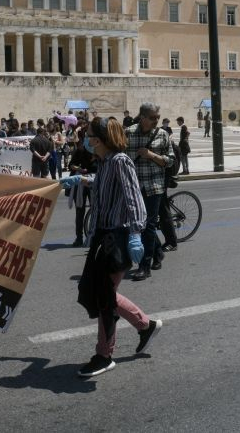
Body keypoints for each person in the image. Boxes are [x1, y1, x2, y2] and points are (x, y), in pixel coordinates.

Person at [76, 116, 161, 378]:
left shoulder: (121, 161)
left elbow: (134, 198)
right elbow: (107, 190)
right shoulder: (104, 163)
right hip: (103, 235)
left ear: (99, 139)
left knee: (104, 296)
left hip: (119, 236)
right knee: (98, 291)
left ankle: (104, 354)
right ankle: (145, 325)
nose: (86, 140)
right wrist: (84, 181)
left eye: (89, 135)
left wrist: (135, 234)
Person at [125, 103, 176, 280]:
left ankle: (144, 267)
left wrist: (152, 155)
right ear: (143, 117)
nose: (156, 121)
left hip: (155, 187)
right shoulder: (128, 133)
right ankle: (158, 252)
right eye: (153, 118)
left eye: (158, 117)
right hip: (134, 187)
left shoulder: (162, 135)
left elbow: (170, 161)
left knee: (149, 225)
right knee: (141, 224)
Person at [68, 132, 97, 247]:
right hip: (81, 182)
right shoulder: (80, 151)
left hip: (94, 182)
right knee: (79, 211)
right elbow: (71, 165)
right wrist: (79, 169)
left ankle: (93, 236)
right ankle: (79, 237)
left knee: (95, 210)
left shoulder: (98, 151)